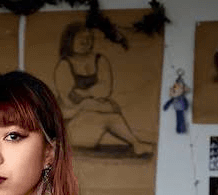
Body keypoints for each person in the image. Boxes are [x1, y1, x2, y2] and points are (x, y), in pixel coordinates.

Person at [54, 22, 153, 156]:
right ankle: (136, 143)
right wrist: (93, 102)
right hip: (69, 129)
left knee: (110, 115)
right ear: (70, 40)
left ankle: (136, 144)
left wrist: (85, 97)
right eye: (80, 38)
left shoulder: (100, 60)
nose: (85, 42)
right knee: (107, 111)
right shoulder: (64, 65)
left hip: (90, 124)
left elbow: (105, 90)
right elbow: (69, 102)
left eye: (89, 38)